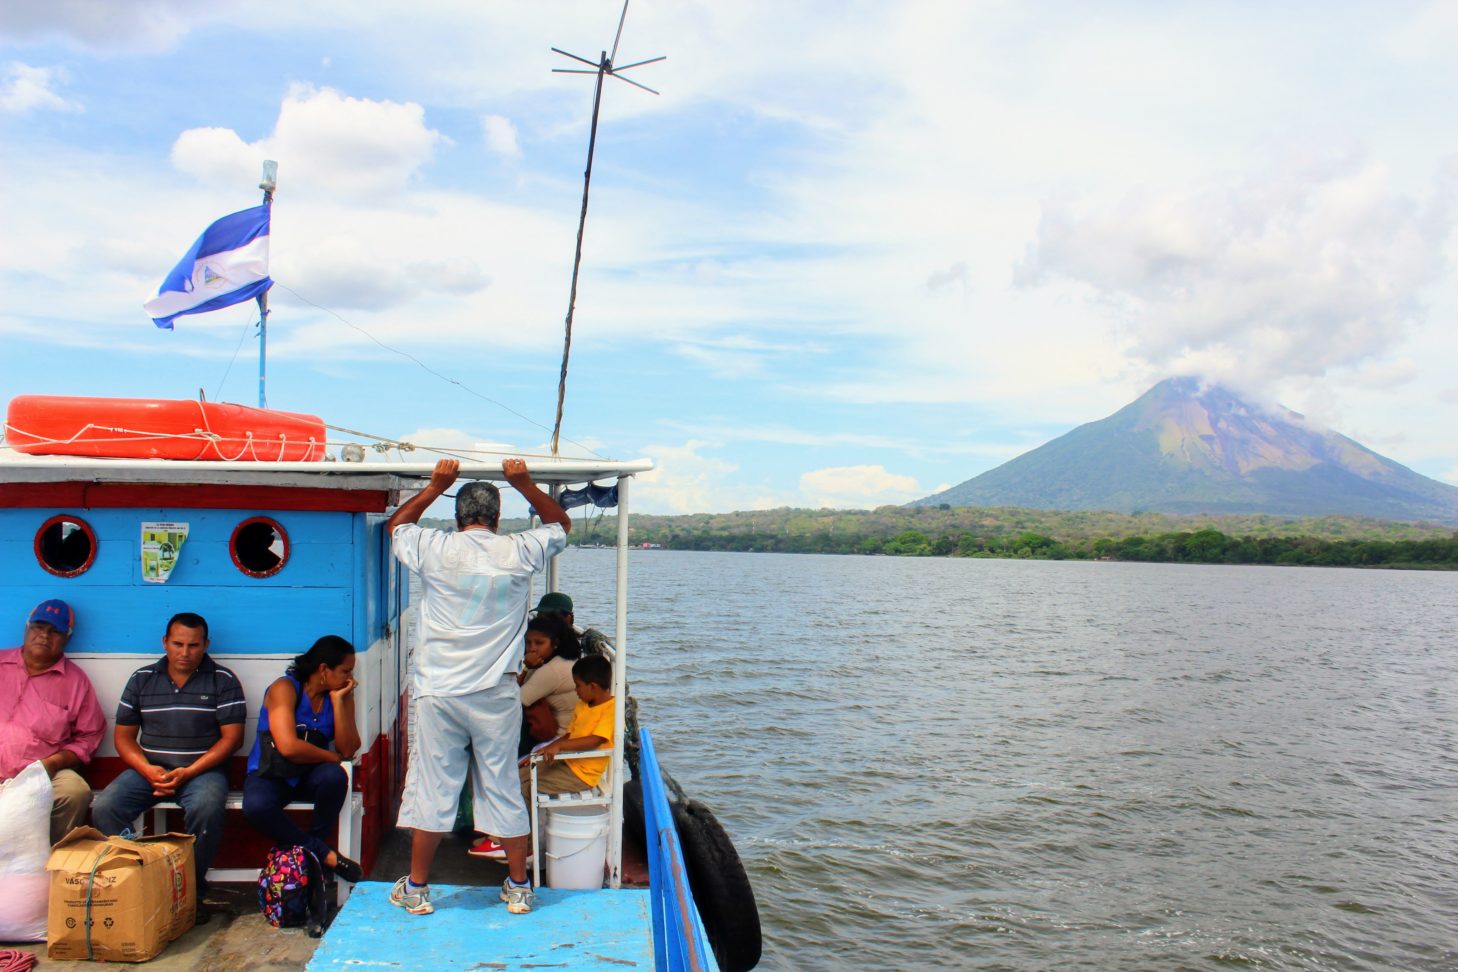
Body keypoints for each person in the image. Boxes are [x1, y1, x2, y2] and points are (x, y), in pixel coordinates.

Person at [386, 457, 571, 916]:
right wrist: (525, 483)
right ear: (496, 517)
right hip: (497, 693)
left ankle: (418, 888)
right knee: (503, 784)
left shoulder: (434, 548)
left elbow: (397, 526)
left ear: (458, 516)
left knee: (433, 786)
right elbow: (561, 524)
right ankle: (518, 886)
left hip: (440, 692)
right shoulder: (518, 550)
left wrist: (434, 486)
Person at [92, 612, 245, 896]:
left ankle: (188, 890)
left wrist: (190, 771)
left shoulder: (223, 680)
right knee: (105, 807)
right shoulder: (142, 679)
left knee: (206, 808)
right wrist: (147, 769)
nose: (185, 652)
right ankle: (145, 876)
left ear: (206, 644)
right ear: (165, 642)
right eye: (177, 644)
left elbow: (232, 739)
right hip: (150, 771)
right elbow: (123, 738)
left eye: (193, 645)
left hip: (202, 772)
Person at [242, 635, 364, 884]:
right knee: (256, 807)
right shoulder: (285, 689)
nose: (350, 679)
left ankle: (312, 857)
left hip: (309, 775)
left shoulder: (339, 694)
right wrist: (330, 756)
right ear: (323, 669)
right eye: (345, 671)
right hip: (272, 772)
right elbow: (288, 746)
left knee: (335, 777)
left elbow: (348, 749)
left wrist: (339, 702)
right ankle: (321, 854)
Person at [474, 654, 616, 860]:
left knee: (528, 787)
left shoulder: (610, 710)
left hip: (582, 774)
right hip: (567, 763)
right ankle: (500, 836)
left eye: (578, 686)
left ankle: (525, 845)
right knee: (517, 774)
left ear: (593, 686)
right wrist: (547, 749)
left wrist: (560, 748)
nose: (575, 691)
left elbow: (594, 741)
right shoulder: (583, 705)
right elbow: (571, 734)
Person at [467, 612, 581, 858]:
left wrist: (526, 666)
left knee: (505, 772)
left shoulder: (551, 671)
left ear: (555, 643)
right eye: (528, 643)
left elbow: (515, 699)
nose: (532, 648)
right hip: (557, 738)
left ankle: (508, 842)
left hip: (559, 743)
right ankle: (503, 837)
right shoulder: (555, 663)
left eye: (539, 643)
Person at [0, 599, 106, 843]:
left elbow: (90, 735)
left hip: (41, 774)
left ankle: (50, 863)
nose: (44, 636)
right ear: (27, 628)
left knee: (74, 791)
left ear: (67, 638)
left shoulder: (75, 681)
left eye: (54, 631)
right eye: (39, 627)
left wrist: (54, 763)